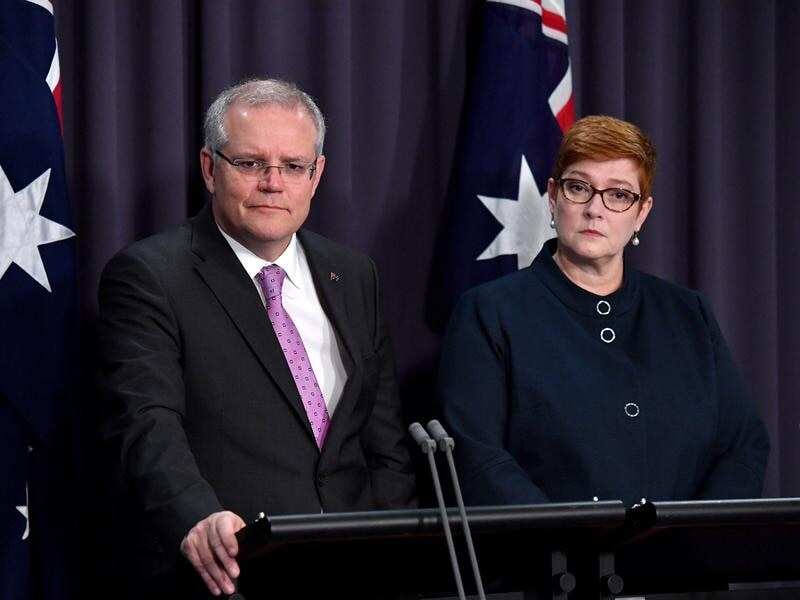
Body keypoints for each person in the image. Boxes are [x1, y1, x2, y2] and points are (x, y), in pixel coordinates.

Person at [98, 78, 416, 598]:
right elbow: (146, 423)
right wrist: (197, 520)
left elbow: (384, 441)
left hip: (357, 572)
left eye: (294, 166)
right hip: (235, 572)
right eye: (250, 164)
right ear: (209, 168)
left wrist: (394, 548)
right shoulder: (151, 276)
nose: (273, 182)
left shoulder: (354, 274)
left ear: (317, 176)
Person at [437, 115, 769, 508]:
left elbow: (743, 445)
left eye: (618, 195)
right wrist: (575, 536)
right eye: (579, 188)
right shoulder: (490, 312)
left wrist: (693, 539)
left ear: (641, 213)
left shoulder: (687, 314)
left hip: (681, 563)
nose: (595, 209)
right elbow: (479, 459)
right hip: (552, 562)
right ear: (554, 197)